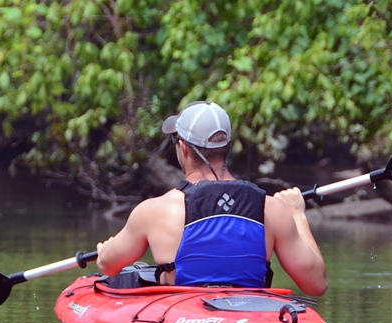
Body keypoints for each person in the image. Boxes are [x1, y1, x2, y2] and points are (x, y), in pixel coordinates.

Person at [95, 101, 327, 296]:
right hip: (249, 317)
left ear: (183, 148)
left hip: (181, 319)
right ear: (227, 148)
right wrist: (297, 214)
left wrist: (105, 250)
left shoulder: (154, 211)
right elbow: (316, 284)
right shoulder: (272, 210)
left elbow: (107, 265)